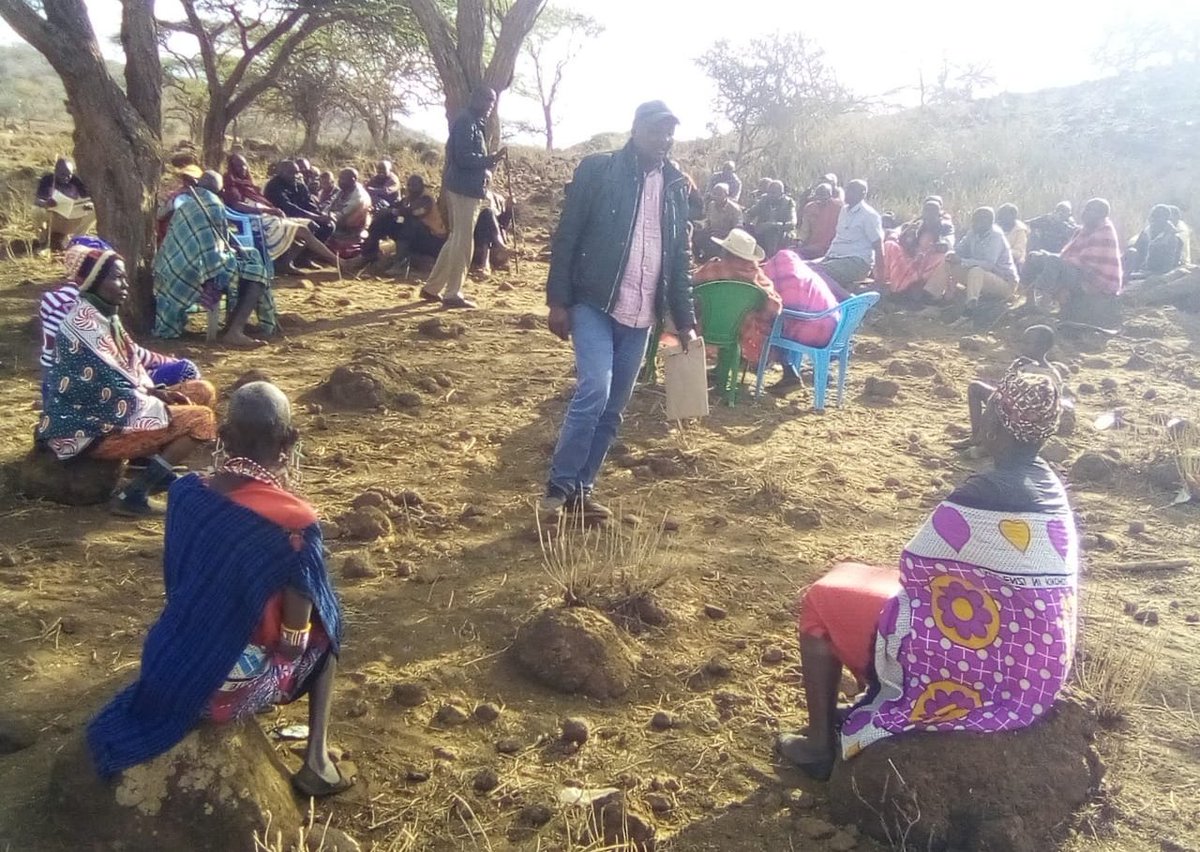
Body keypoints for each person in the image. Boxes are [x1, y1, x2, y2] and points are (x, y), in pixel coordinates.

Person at [778, 366, 1076, 780]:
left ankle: (818, 746)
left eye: (987, 411)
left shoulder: (983, 493)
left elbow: (916, 566)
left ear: (995, 424)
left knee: (822, 599)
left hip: (986, 664)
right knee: (858, 575)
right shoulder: (1048, 485)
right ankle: (861, 703)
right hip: (1032, 668)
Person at [86, 381, 350, 798]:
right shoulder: (294, 521)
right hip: (218, 685)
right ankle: (316, 761)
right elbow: (295, 643)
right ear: (290, 441)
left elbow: (177, 580)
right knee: (329, 623)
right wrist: (288, 639)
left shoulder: (186, 492)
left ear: (223, 438)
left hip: (168, 662)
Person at [541, 100, 696, 523]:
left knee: (613, 408)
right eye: (656, 130)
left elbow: (679, 259)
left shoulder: (676, 186)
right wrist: (557, 300)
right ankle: (557, 489)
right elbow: (568, 235)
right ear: (635, 129)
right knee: (594, 389)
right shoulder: (599, 170)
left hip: (641, 313)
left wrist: (687, 322)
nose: (664, 139)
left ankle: (581, 491)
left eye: (670, 132)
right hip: (594, 301)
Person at [36, 248, 217, 516]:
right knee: (202, 420)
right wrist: (156, 400)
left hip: (116, 410)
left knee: (202, 390)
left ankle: (157, 470)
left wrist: (156, 392)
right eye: (117, 278)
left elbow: (130, 368)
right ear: (95, 281)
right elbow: (110, 392)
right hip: (88, 428)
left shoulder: (105, 316)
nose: (125, 284)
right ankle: (134, 494)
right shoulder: (82, 325)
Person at [38, 238, 202, 409]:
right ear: (95, 277)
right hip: (84, 409)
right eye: (116, 276)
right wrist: (150, 393)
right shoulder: (80, 317)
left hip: (103, 393)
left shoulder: (102, 313)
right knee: (193, 400)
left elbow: (128, 355)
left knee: (198, 395)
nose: (125, 285)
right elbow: (102, 379)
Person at [154, 171, 275, 346]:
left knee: (243, 264)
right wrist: (234, 253)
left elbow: (217, 236)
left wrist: (235, 247)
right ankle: (235, 331)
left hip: (170, 268)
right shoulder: (214, 204)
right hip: (196, 272)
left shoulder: (186, 202)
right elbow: (214, 252)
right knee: (256, 273)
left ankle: (232, 324)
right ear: (219, 190)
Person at [419, 87, 507, 310]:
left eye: (492, 102)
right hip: (463, 189)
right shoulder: (466, 121)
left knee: (456, 239)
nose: (489, 106)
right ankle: (453, 293)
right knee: (464, 242)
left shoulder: (473, 122)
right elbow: (464, 158)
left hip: (468, 188)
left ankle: (432, 288)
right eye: (486, 100)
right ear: (474, 99)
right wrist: (491, 159)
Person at [952, 325, 1065, 452]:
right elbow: (1008, 388)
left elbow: (1036, 406)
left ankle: (984, 440)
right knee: (977, 388)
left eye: (1027, 343)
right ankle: (978, 435)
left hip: (1030, 422)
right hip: (1021, 412)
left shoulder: (1045, 375)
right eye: (1022, 341)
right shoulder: (1028, 365)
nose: (1022, 346)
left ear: (1043, 347)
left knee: (996, 399)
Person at [221, 153, 338, 274]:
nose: (243, 168)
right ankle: (338, 262)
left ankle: (290, 261)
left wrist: (320, 216)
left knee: (311, 225)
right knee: (303, 230)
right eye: (238, 166)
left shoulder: (247, 183)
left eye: (244, 165)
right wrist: (267, 210)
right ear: (231, 167)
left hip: (268, 217)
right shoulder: (232, 183)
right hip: (255, 221)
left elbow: (309, 204)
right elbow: (236, 205)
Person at [694, 228, 781, 368]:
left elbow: (690, 284)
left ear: (727, 251)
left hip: (704, 328)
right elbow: (774, 305)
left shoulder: (714, 269)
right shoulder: (758, 277)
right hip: (739, 333)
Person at [760, 249, 842, 397]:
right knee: (782, 321)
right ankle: (790, 372)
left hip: (810, 328)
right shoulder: (808, 276)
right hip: (834, 330)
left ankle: (785, 370)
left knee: (771, 322)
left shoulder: (779, 274)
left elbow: (783, 306)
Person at [1027, 197, 1122, 309]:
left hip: (1095, 281)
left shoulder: (1104, 232)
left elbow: (1086, 263)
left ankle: (1044, 303)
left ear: (1102, 214)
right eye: (1085, 209)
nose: (1084, 213)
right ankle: (1028, 299)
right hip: (1079, 271)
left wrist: (1053, 258)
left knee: (1053, 261)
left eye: (1090, 210)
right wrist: (1046, 256)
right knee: (1034, 257)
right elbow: (1068, 257)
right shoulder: (1084, 230)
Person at [927, 206, 1019, 312]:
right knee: (947, 262)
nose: (973, 223)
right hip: (980, 277)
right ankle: (932, 297)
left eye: (977, 220)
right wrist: (950, 253)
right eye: (974, 220)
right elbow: (959, 249)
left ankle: (970, 307)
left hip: (1005, 282)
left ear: (988, 222)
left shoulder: (996, 236)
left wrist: (961, 261)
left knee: (976, 270)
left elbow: (989, 265)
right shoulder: (973, 232)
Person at [358, 174, 447, 271]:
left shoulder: (426, 199)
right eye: (409, 185)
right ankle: (368, 254)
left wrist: (394, 211)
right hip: (416, 236)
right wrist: (384, 212)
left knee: (410, 224)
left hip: (432, 239)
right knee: (383, 220)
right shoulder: (410, 197)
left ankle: (400, 263)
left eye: (414, 186)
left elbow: (412, 213)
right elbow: (397, 207)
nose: (410, 188)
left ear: (421, 186)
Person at [811, 179, 884, 296]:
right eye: (847, 189)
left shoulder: (869, 215)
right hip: (834, 257)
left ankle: (847, 299)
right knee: (803, 267)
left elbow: (878, 246)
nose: (848, 193)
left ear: (863, 193)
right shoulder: (844, 210)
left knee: (816, 272)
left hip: (856, 262)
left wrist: (880, 280)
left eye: (852, 190)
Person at [881, 196, 955, 298]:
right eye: (927, 211)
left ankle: (925, 291)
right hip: (912, 257)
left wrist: (932, 248)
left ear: (939, 213)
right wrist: (908, 232)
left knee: (944, 257)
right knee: (890, 245)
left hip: (930, 259)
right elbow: (899, 235)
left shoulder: (945, 226)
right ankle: (892, 283)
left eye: (933, 211)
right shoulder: (917, 223)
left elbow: (948, 244)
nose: (929, 214)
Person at [34, 157, 95, 250]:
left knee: (95, 210)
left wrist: (89, 205)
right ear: (55, 171)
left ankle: (76, 240)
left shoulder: (75, 181)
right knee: (37, 210)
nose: (66, 178)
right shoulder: (48, 180)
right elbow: (37, 201)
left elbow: (87, 198)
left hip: (73, 220)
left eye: (69, 175)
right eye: (62, 174)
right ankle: (43, 239)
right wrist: (46, 203)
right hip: (54, 221)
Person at [265, 160, 334, 242]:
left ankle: (314, 251)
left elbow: (309, 203)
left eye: (296, 172)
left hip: (304, 215)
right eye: (290, 173)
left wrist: (321, 215)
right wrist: (316, 217)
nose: (294, 176)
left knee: (328, 225)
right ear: (280, 172)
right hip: (283, 217)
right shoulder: (274, 186)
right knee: (313, 226)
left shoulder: (299, 184)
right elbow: (288, 207)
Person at [1125, 204, 1186, 279]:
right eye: (1152, 217)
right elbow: (1138, 250)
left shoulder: (1172, 238)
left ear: (1165, 220)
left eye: (1156, 218)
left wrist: (1147, 273)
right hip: (1141, 269)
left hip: (1157, 272)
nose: (1153, 220)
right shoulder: (1146, 232)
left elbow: (1168, 265)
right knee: (1131, 251)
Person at [324, 168, 372, 257]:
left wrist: (326, 217)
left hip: (350, 230)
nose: (339, 181)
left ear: (353, 180)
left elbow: (342, 214)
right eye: (339, 178)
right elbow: (331, 205)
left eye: (343, 179)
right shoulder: (344, 190)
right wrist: (323, 213)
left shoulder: (359, 197)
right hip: (339, 225)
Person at [745, 180, 797, 258]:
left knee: (772, 234)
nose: (771, 195)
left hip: (780, 234)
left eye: (774, 193)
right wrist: (747, 222)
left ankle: (771, 258)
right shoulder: (764, 200)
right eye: (769, 192)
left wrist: (775, 225)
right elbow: (750, 213)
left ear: (781, 193)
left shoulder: (788, 203)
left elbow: (793, 223)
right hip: (762, 231)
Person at [693, 182, 743, 261]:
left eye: (719, 194)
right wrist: (702, 224)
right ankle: (700, 260)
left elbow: (738, 229)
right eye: (714, 193)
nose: (716, 196)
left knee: (721, 249)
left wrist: (725, 233)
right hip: (712, 233)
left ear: (726, 194)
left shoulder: (735, 209)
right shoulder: (711, 205)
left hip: (727, 237)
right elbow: (708, 221)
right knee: (696, 236)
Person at [795, 183, 843, 260]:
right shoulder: (809, 207)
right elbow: (805, 229)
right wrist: (800, 241)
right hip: (813, 245)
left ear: (830, 195)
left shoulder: (839, 207)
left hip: (832, 247)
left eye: (824, 196)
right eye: (818, 196)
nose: (820, 199)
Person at [471, 188, 512, 276]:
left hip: (492, 241)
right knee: (487, 214)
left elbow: (502, 225)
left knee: (488, 214)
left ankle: (486, 264)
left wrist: (509, 209)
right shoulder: (466, 196)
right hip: (475, 238)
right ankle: (502, 247)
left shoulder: (496, 198)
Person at [996, 203, 1029, 269]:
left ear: (1013, 216)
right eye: (1000, 215)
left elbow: (1019, 253)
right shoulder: (996, 229)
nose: (1000, 218)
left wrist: (1001, 251)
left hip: (1014, 264)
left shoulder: (1020, 231)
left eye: (1004, 215)